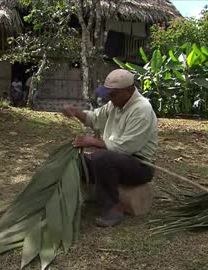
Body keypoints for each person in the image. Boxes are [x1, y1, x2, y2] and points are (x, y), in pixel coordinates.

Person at [62, 69, 158, 227]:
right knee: (77, 161)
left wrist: (93, 141)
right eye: (108, 94)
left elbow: (126, 147)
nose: (109, 98)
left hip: (140, 166)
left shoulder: (142, 109)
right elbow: (94, 118)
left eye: (113, 94)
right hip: (116, 160)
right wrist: (76, 112)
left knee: (102, 158)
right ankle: (78, 198)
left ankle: (113, 209)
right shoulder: (115, 103)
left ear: (128, 91)